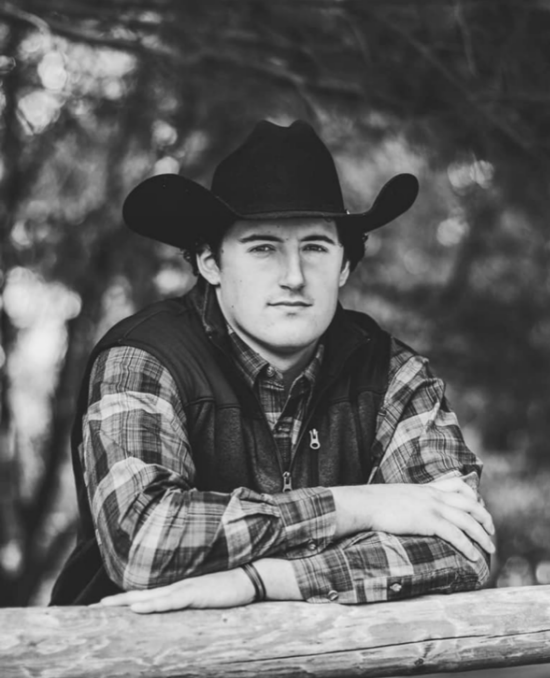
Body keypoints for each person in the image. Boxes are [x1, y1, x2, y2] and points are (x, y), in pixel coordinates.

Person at [51, 120, 494, 613]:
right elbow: (144, 541)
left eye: (315, 247)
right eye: (263, 247)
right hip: (130, 651)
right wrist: (356, 506)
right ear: (210, 262)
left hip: (330, 655)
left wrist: (263, 580)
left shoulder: (394, 374)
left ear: (344, 265)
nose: (294, 276)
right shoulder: (144, 358)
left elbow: (464, 546)